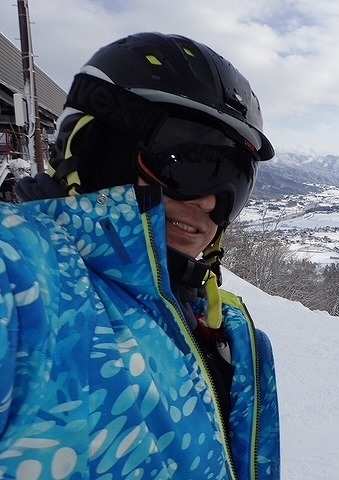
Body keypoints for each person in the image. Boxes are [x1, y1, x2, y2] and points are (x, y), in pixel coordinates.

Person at [0, 33, 280, 479]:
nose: (211, 201)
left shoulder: (221, 328)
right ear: (93, 148)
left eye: (235, 182)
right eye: (187, 162)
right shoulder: (31, 275)